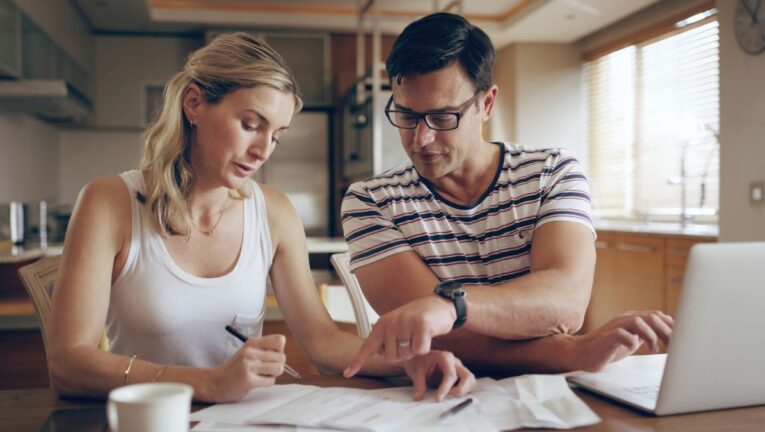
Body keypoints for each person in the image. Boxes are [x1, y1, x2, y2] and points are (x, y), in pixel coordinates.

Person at [47, 32, 475, 404]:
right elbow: (68, 364)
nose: (263, 150)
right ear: (194, 103)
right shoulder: (109, 203)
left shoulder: (273, 211)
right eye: (251, 124)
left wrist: (410, 362)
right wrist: (210, 382)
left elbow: (323, 342)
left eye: (276, 135)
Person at [341, 13, 674, 378]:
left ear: (486, 103)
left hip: (550, 396)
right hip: (435, 393)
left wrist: (451, 306)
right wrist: (571, 352)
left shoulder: (552, 172)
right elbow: (434, 339)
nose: (420, 139)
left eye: (442, 117)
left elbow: (565, 302)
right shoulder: (369, 201)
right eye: (406, 115)